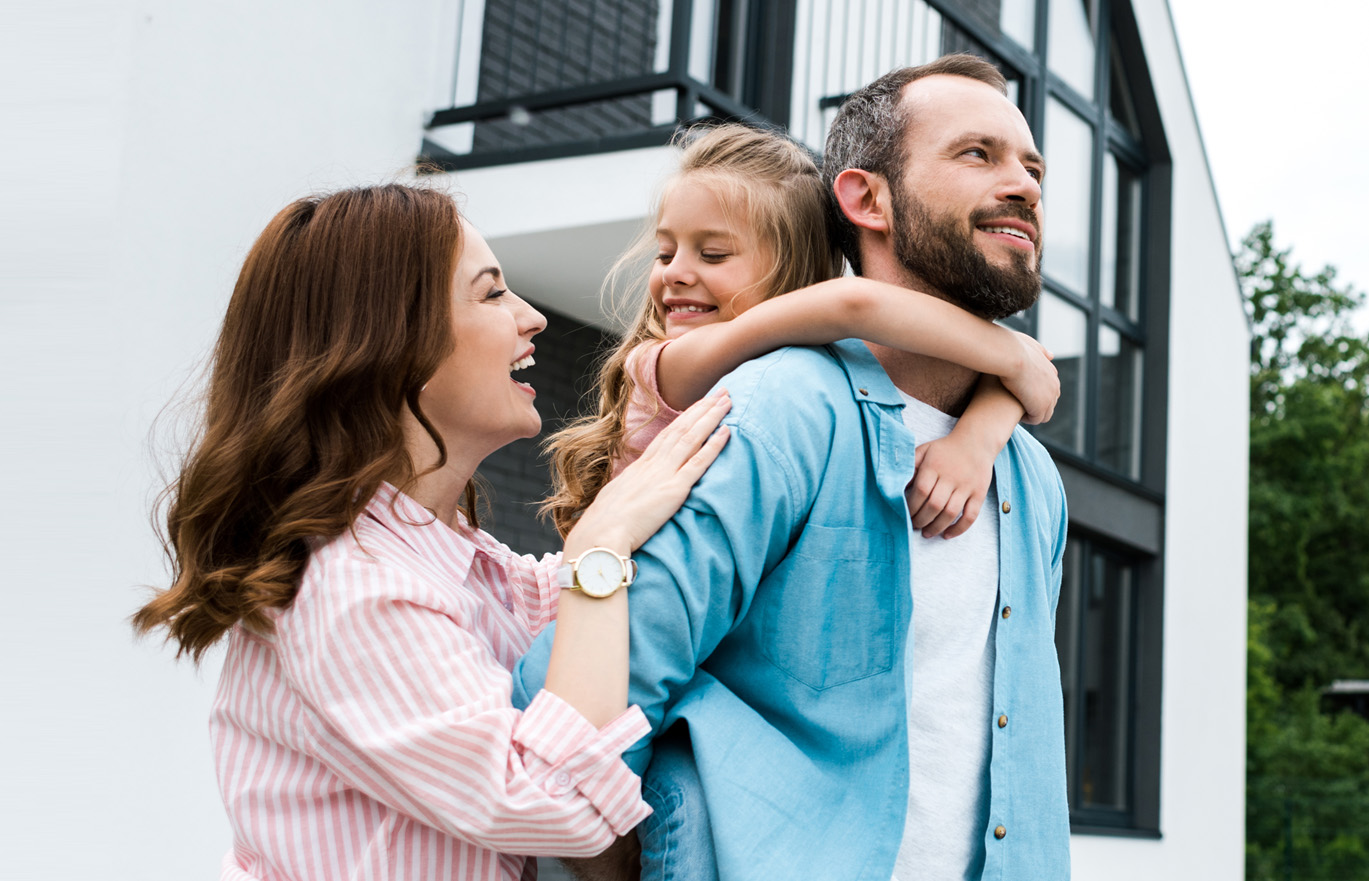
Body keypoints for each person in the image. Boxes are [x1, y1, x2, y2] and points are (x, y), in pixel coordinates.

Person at [515, 54, 1071, 881]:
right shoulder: (775, 413)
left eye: (1031, 166)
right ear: (864, 198)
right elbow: (573, 707)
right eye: (976, 154)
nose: (1023, 184)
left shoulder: (1029, 478)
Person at [131, 183, 734, 881]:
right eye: (490, 294)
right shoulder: (356, 586)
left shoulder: (448, 556)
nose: (531, 317)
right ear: (390, 342)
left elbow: (579, 625)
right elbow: (560, 802)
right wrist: (598, 551)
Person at [544, 123, 1059, 546]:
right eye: (665, 253)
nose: (673, 272)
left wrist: (974, 441)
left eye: (713, 254)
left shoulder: (815, 370)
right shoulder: (666, 364)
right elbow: (855, 304)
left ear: (795, 270)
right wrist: (1011, 354)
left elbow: (1024, 375)